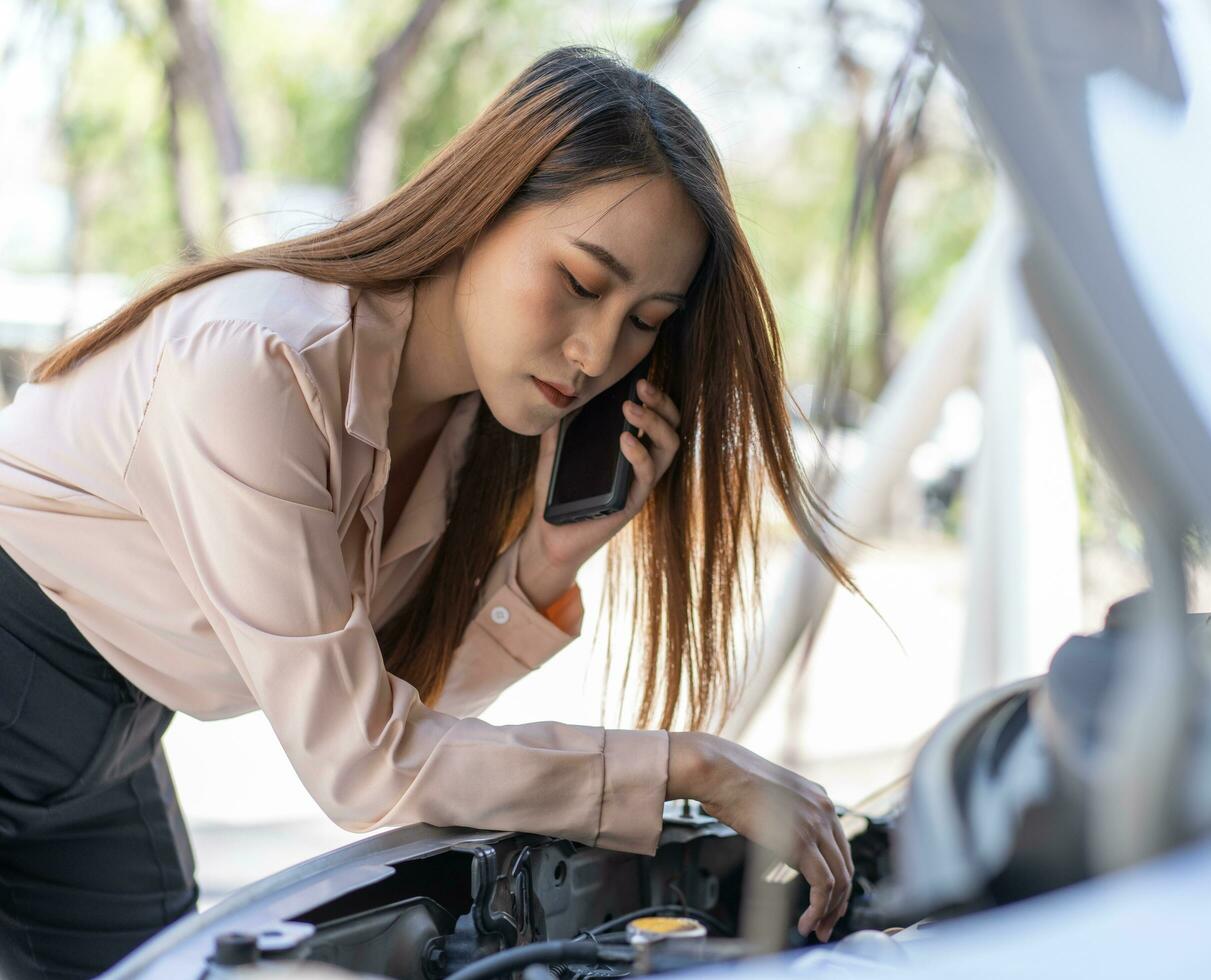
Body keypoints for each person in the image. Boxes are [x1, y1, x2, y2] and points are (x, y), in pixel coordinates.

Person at [0, 45, 878, 977]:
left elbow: (410, 731)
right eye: (582, 282)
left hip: (111, 742)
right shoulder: (257, 364)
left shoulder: (469, 430)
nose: (595, 351)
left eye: (644, 320)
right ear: (480, 208)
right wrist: (687, 767)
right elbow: (367, 768)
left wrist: (544, 562)